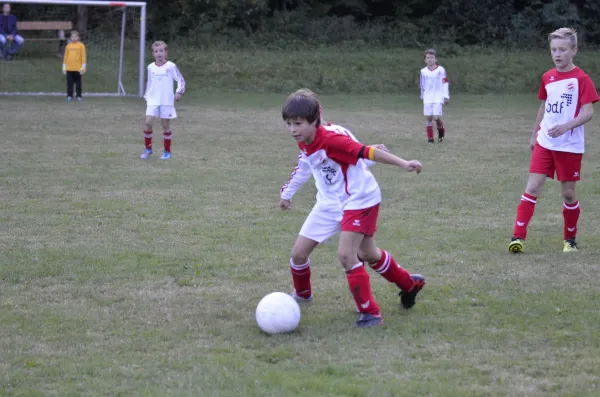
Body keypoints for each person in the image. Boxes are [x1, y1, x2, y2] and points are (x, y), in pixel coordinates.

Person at [282, 93, 426, 328]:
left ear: (315, 119)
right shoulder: (305, 140)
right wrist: (286, 193)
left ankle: (371, 314)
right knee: (301, 254)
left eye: (298, 123)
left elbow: (365, 152)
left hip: (359, 199)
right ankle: (409, 285)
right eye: (289, 124)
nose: (292, 129)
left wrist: (403, 163)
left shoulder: (332, 139)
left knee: (347, 255)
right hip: (329, 203)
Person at [508, 28, 598, 254]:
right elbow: (543, 106)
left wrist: (566, 127)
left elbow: (588, 113)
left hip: (569, 146)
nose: (557, 54)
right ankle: (517, 238)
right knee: (532, 187)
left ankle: (570, 239)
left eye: (563, 49)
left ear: (573, 51)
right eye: (554, 50)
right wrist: (534, 134)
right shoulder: (547, 77)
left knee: (568, 193)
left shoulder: (582, 79)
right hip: (545, 142)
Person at [141, 40, 186, 160]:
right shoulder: (150, 67)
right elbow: (149, 83)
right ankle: (148, 149)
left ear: (166, 52)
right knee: (148, 123)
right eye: (156, 51)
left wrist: (179, 92)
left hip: (166, 100)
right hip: (153, 100)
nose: (159, 53)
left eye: (161, 51)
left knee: (165, 125)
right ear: (153, 54)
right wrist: (147, 96)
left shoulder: (171, 66)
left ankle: (167, 152)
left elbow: (180, 80)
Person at [420, 48, 449, 143]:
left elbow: (445, 82)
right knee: (429, 117)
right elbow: (422, 84)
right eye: (428, 58)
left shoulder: (441, 70)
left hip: (438, 96)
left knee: (436, 117)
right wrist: (422, 95)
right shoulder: (423, 71)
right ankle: (430, 138)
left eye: (432, 57)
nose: (430, 59)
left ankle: (441, 131)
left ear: (435, 59)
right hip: (428, 97)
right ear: (425, 60)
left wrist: (446, 96)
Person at [62, 30, 86, 102]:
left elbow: (83, 56)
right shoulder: (68, 46)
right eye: (72, 37)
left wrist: (83, 66)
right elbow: (65, 57)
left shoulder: (81, 46)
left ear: (78, 37)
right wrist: (64, 66)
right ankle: (69, 96)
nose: (74, 38)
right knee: (70, 84)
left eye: (75, 37)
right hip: (69, 69)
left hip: (78, 69)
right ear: (71, 38)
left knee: (78, 84)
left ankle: (79, 96)